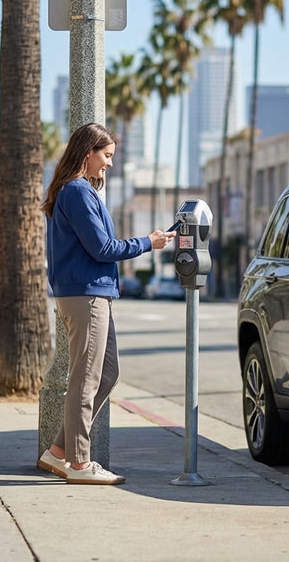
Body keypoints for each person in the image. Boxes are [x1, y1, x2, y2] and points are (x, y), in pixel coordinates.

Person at [38, 122, 174, 485]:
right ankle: (80, 464)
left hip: (87, 293)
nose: (110, 164)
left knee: (107, 373)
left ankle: (59, 452)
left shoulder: (73, 191)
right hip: (87, 295)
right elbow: (103, 249)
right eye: (107, 156)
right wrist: (149, 242)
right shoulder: (78, 192)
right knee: (85, 379)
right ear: (88, 153)